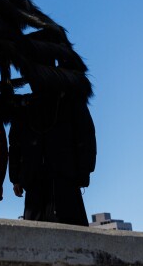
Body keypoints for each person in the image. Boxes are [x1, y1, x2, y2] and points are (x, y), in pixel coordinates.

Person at [8, 82, 96, 226]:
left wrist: (15, 177)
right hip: (46, 176)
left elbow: (86, 137)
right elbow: (15, 143)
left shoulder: (68, 101)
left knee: (53, 225)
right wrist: (15, 177)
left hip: (59, 176)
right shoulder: (27, 105)